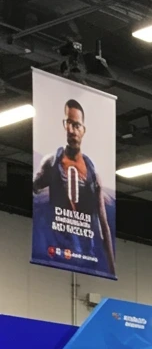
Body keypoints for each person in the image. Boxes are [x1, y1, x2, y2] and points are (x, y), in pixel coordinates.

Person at [33, 97, 116, 277]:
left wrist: (111, 269)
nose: (72, 130)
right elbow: (34, 192)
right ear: (64, 125)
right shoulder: (51, 162)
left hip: (86, 255)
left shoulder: (93, 173)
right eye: (68, 123)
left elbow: (104, 225)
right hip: (54, 253)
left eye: (76, 125)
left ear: (83, 130)